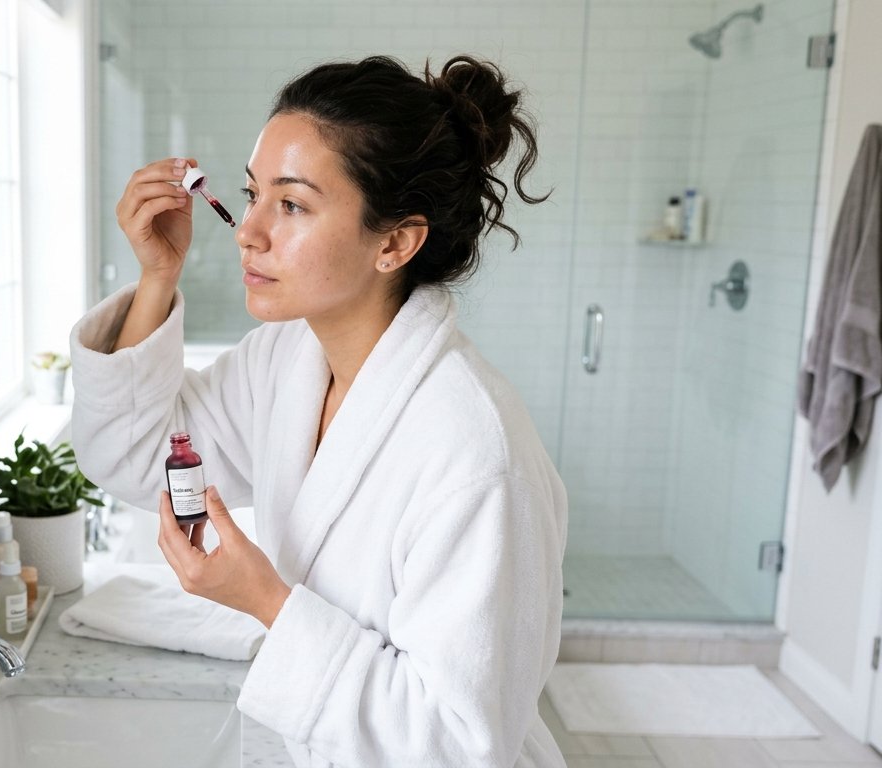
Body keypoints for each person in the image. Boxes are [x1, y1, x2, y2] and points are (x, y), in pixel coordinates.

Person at [69, 54, 568, 768]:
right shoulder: (287, 361)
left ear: (394, 242)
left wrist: (267, 601)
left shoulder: (475, 453)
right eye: (252, 194)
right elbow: (137, 456)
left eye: (293, 205)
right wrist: (157, 277)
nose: (247, 231)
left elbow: (459, 746)